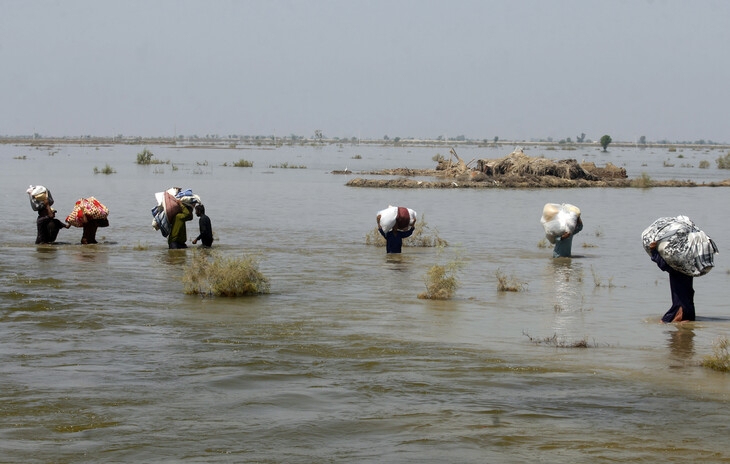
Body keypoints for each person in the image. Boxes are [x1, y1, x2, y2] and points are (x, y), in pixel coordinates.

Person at [650, 241, 695, 323]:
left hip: (680, 306)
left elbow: (663, 265)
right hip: (688, 305)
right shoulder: (689, 264)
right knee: (685, 327)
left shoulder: (677, 266)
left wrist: (654, 251)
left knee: (664, 322)